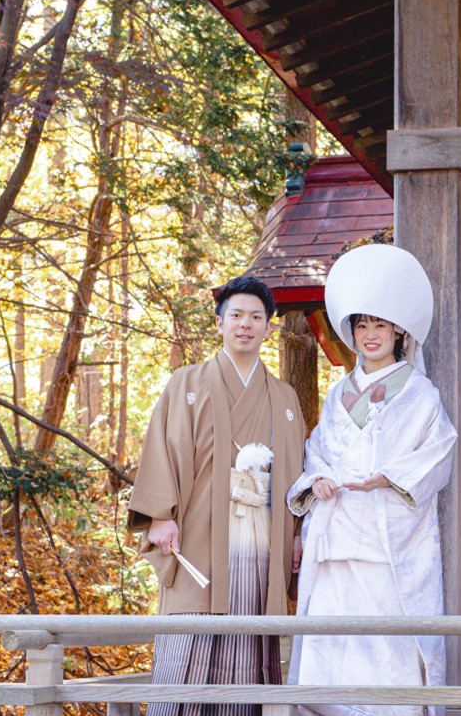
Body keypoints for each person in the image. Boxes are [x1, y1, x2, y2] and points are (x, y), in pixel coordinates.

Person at [286, 244, 458, 716]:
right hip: (338, 534)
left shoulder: (422, 393)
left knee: (385, 639)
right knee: (333, 638)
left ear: (399, 330)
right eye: (361, 325)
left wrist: (389, 478)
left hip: (389, 540)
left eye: (379, 324)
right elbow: (318, 449)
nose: (369, 335)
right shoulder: (339, 391)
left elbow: (439, 450)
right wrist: (318, 477)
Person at [128, 276, 305, 716]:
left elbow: (297, 473)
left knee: (247, 645)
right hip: (200, 533)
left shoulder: (284, 396)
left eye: (256, 317)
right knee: (187, 639)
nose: (246, 325)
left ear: (269, 328)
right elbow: (163, 449)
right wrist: (160, 515)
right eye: (237, 315)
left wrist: (298, 532)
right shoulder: (186, 383)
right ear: (220, 323)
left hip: (261, 538)